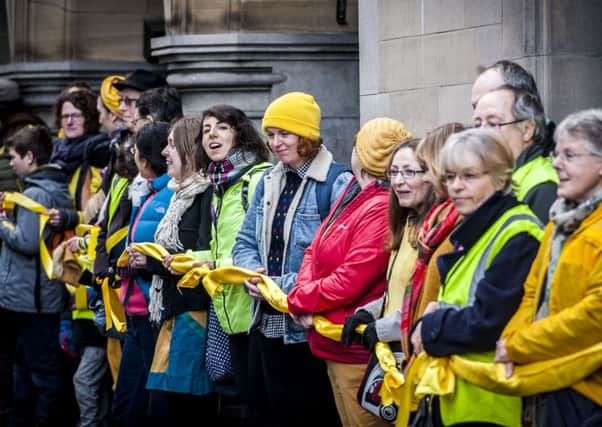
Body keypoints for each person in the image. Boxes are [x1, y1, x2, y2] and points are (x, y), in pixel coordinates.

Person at [233, 91, 352, 427]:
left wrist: (275, 285)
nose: (275, 142)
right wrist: (250, 270)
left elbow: (335, 262)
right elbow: (244, 240)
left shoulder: (337, 181)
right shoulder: (269, 179)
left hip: (307, 328)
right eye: (270, 135)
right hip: (263, 322)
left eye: (284, 133)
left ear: (308, 136)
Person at [410, 128, 543, 427]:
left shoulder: (518, 232)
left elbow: (487, 322)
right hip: (457, 395)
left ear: (499, 177)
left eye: (469, 176)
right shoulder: (478, 228)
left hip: (490, 403)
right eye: (450, 177)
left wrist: (430, 326)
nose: (456, 186)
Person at [287, 117, 413, 427]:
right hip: (332, 345)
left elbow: (350, 280)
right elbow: (312, 250)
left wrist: (301, 299)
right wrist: (302, 297)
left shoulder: (381, 206)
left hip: (357, 354)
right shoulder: (354, 193)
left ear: (365, 152)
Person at [496, 109, 602, 427]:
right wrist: (511, 342)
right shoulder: (558, 222)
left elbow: (594, 315)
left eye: (570, 155)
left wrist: (519, 345)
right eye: (557, 153)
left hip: (589, 395)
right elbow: (531, 293)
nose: (557, 163)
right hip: (546, 384)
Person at [193, 105, 270, 421]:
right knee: (246, 402)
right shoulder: (218, 186)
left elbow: (261, 247)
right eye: (207, 128)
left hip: (256, 310)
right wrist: (188, 261)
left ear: (240, 133)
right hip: (228, 309)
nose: (211, 134)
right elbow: (218, 248)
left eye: (222, 127)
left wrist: (215, 266)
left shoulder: (258, 178)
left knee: (262, 405)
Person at [139, 117, 216, 424]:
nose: (165, 152)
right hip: (173, 313)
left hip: (193, 316)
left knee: (180, 409)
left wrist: (150, 260)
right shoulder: (179, 193)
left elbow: (195, 255)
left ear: (189, 149)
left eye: (171, 144)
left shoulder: (206, 193)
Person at [0, 125, 72, 426]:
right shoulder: (56, 187)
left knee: (39, 371)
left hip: (32, 297)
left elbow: (27, 242)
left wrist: (1, 223)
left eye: (14, 157)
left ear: (30, 157)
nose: (11, 163)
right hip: (40, 295)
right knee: (33, 365)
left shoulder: (34, 193)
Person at [342, 135, 437, 360]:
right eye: (393, 172)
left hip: (413, 355)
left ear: (431, 176)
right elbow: (398, 291)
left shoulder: (435, 231)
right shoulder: (406, 223)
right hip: (391, 354)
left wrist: (382, 328)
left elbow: (423, 301)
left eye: (408, 172)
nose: (398, 181)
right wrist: (368, 312)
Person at [110, 122, 172, 427]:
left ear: (145, 157)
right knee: (125, 402)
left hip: (151, 312)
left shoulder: (166, 196)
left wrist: (145, 261)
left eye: (135, 149)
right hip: (134, 310)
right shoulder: (143, 192)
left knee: (148, 403)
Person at [473, 85, 557, 222]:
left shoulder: (543, 187)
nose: (481, 134)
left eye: (493, 124)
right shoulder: (500, 177)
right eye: (477, 125)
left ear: (527, 130)